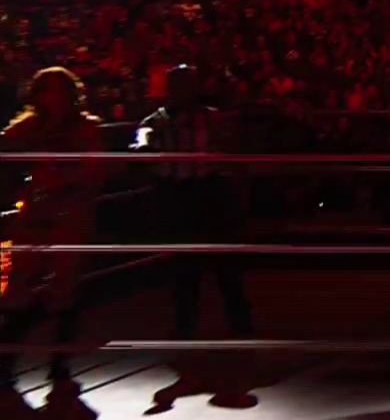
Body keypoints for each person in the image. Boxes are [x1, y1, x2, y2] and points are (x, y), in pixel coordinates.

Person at [0, 67, 106, 388]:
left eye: (59, 90)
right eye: (48, 90)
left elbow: (93, 171)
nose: (54, 97)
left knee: (65, 290)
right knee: (18, 288)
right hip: (37, 212)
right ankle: (6, 364)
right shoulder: (32, 125)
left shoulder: (86, 128)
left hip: (70, 214)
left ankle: (59, 364)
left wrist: (63, 178)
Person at [134, 65, 254, 343]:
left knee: (225, 260)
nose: (183, 91)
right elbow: (142, 139)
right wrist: (144, 148)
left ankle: (239, 318)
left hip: (209, 189)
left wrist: (239, 188)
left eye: (188, 84)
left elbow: (234, 150)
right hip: (177, 193)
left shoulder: (213, 117)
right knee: (184, 262)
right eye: (178, 85)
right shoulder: (156, 121)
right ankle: (186, 322)